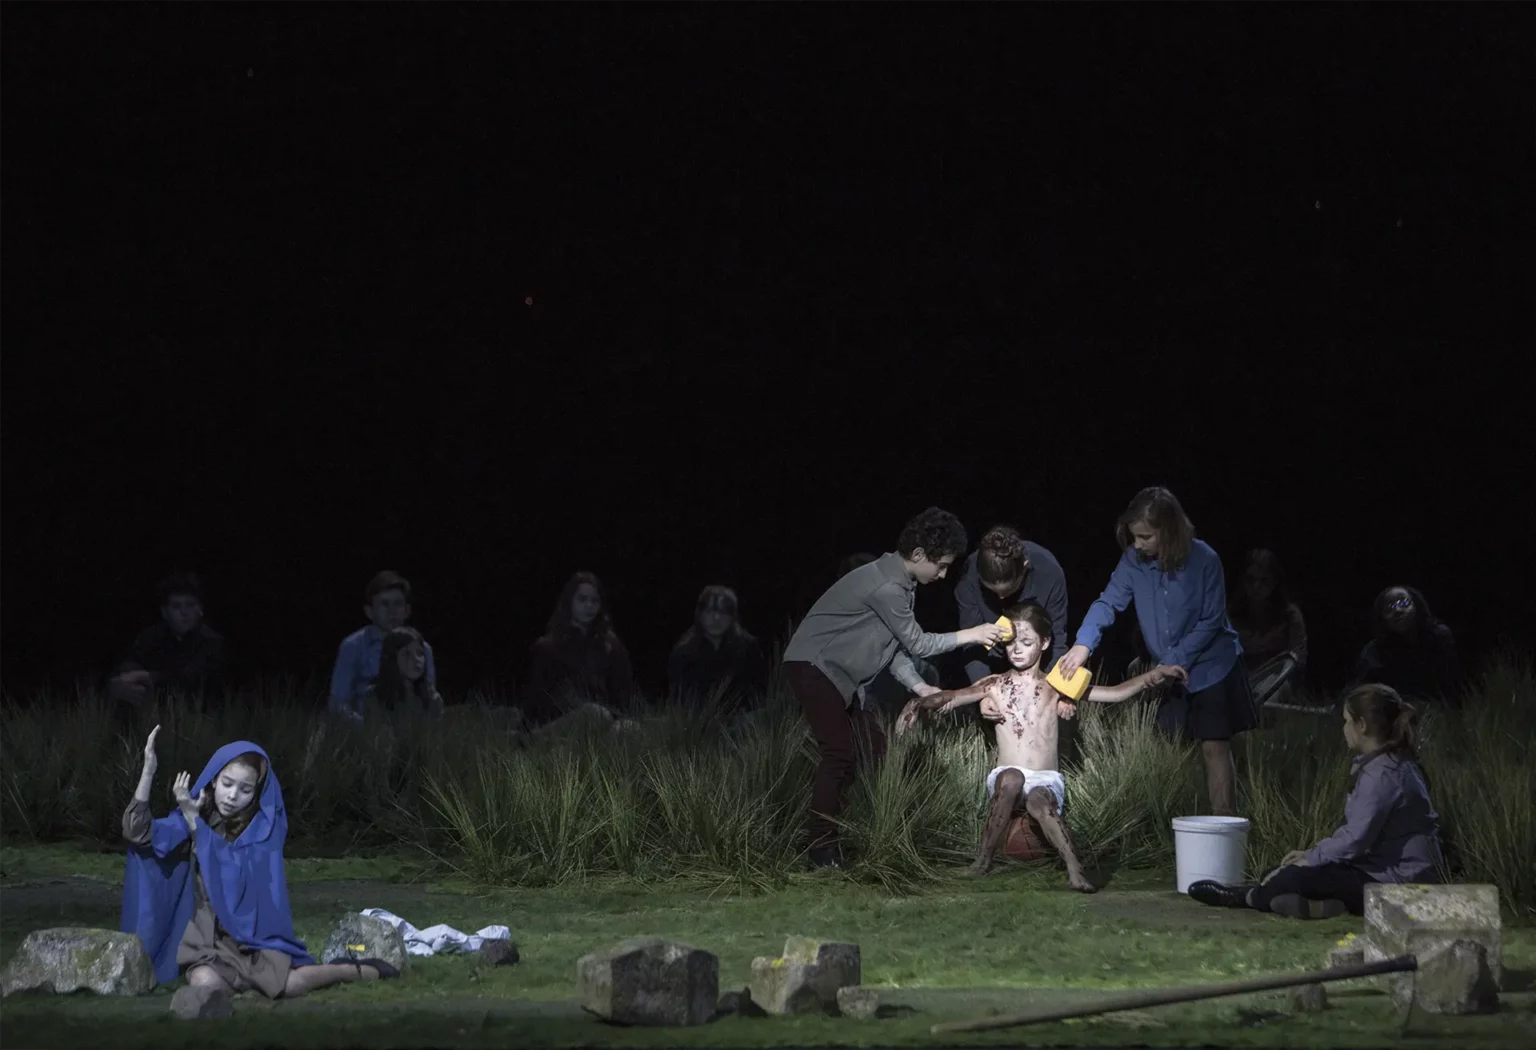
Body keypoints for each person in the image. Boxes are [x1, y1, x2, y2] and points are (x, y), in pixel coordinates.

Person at [896, 604, 1186, 892]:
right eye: (1010, 643)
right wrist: (919, 703)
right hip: (1006, 777)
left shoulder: (1056, 685)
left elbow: (1113, 694)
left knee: (1037, 800)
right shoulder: (994, 684)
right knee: (1012, 779)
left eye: (1026, 642)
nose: (1017, 649)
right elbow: (952, 697)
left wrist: (1152, 676)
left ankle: (1074, 867)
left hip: (1045, 779)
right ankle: (982, 861)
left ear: (1044, 643)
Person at [781, 508, 1003, 868]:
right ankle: (821, 851)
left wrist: (920, 687)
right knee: (839, 754)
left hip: (835, 676)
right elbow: (919, 645)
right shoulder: (887, 587)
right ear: (918, 555)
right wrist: (972, 634)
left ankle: (851, 836)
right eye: (942, 565)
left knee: (874, 750)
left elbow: (894, 649)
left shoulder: (899, 583)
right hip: (813, 668)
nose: (944, 574)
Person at [122, 726, 400, 1003]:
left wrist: (194, 822)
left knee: (288, 987)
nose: (232, 796)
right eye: (228, 784)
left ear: (256, 793)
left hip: (256, 936)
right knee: (203, 982)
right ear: (214, 781)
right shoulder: (199, 815)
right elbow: (139, 833)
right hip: (210, 939)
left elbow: (231, 875)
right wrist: (148, 772)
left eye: (245, 790)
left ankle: (348, 970)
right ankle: (246, 987)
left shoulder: (263, 830)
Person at [1058, 487, 1254, 816]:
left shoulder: (1205, 560)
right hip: (1164, 666)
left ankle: (1223, 828)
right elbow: (1108, 603)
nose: (1138, 544)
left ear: (1170, 530)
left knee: (1213, 745)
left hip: (1211, 665)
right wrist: (1083, 644)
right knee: (1165, 743)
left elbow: (1210, 621)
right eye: (1134, 537)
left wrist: (1171, 662)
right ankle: (1169, 824)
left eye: (1146, 536)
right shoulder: (1133, 561)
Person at [1187, 683, 1442, 919]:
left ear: (1362, 725)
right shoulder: (1391, 764)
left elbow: (1355, 839)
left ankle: (1246, 897)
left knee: (1292, 877)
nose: (1344, 729)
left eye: (1347, 721)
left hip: (1398, 882)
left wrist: (1311, 858)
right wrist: (1311, 858)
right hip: (1381, 870)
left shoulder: (1383, 775)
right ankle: (1325, 906)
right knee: (1281, 873)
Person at [953, 524, 1070, 680]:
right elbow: (972, 643)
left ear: (1024, 567)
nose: (1001, 597)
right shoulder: (968, 577)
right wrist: (985, 690)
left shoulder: (1049, 572)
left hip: (1039, 660)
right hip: (991, 660)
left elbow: (1057, 638)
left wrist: (1049, 688)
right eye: (991, 591)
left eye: (1009, 590)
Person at [109, 572, 228, 719]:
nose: (184, 612)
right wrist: (118, 684)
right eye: (176, 606)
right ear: (165, 612)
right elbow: (129, 663)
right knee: (126, 679)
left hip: (198, 714)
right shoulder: (151, 637)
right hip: (156, 710)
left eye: (190, 605)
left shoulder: (211, 642)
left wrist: (147, 677)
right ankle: (128, 739)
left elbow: (190, 680)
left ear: (200, 610)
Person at [525, 571, 635, 725]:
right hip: (561, 721)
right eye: (582, 599)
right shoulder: (548, 647)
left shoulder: (610, 645)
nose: (589, 606)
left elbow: (622, 693)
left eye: (594, 601)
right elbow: (538, 700)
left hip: (605, 718)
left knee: (629, 728)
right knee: (593, 714)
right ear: (570, 601)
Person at [329, 571, 438, 723]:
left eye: (397, 604)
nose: (391, 611)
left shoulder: (423, 649)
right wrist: (365, 728)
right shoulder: (352, 646)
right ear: (369, 611)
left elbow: (429, 696)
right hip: (363, 728)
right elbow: (338, 702)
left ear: (407, 611)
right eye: (384, 604)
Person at [1351, 585, 1462, 702]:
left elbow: (1453, 682)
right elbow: (1357, 688)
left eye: (1403, 603)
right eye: (1389, 608)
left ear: (1416, 606)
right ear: (1382, 618)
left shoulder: (1439, 636)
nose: (1397, 610)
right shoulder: (1374, 650)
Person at [667, 585, 768, 712]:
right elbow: (680, 701)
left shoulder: (748, 649)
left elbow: (758, 695)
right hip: (698, 727)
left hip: (742, 725)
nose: (716, 619)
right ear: (700, 614)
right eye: (709, 612)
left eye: (723, 612)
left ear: (733, 617)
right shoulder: (684, 653)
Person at [1227, 549, 1308, 674]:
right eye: (1251, 579)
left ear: (1274, 582)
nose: (1256, 586)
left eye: (1264, 580)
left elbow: (1298, 659)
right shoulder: (1231, 616)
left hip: (1279, 683)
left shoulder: (1289, 615)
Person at [363, 627, 445, 716]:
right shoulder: (373, 696)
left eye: (420, 653)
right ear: (392, 659)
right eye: (407, 654)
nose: (417, 660)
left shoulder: (432, 697)